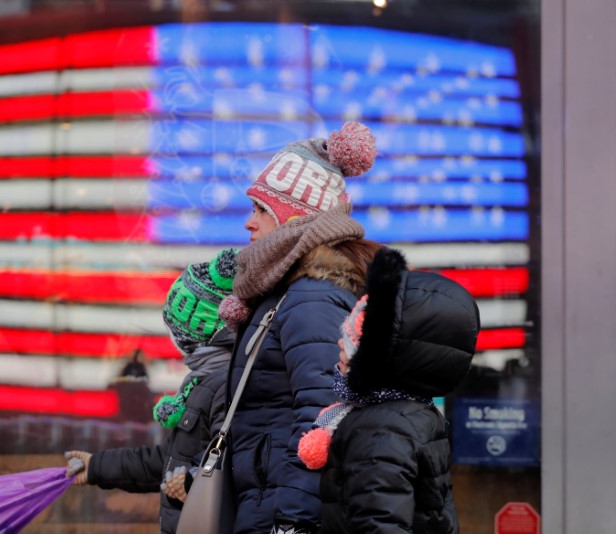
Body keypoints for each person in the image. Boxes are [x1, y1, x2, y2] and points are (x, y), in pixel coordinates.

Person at [215, 121, 383, 534]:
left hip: (281, 513)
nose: (248, 224)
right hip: (267, 503)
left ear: (295, 218)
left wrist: (292, 524)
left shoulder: (311, 298)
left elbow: (322, 418)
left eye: (260, 210)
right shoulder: (290, 294)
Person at [297, 247, 480, 533]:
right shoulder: (413, 412)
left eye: (353, 339)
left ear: (380, 356)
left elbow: (379, 523)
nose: (340, 345)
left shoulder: (378, 428)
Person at [64, 248, 238, 533]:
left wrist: (194, 485)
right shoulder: (205, 383)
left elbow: (238, 470)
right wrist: (96, 466)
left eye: (177, 329)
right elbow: (168, 461)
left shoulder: (224, 384)